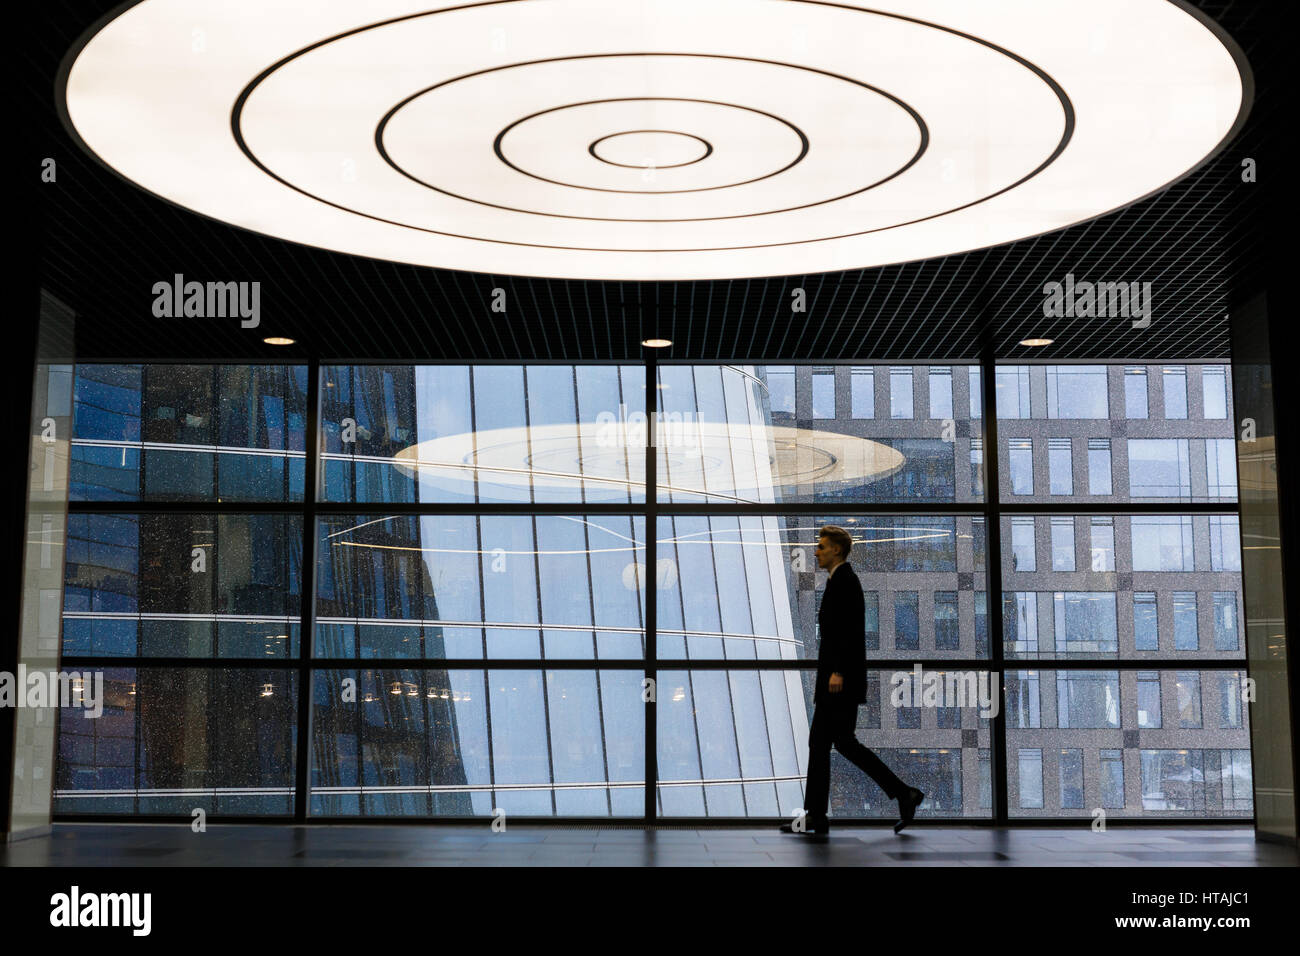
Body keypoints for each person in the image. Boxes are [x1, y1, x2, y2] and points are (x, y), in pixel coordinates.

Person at [780, 525, 925, 835]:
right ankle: (901, 794)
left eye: (821, 546)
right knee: (835, 743)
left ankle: (820, 814)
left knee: (826, 743)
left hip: (839, 681)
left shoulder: (846, 581)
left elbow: (848, 634)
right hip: (837, 679)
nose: (816, 551)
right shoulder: (838, 581)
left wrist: (838, 672)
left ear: (836, 549)